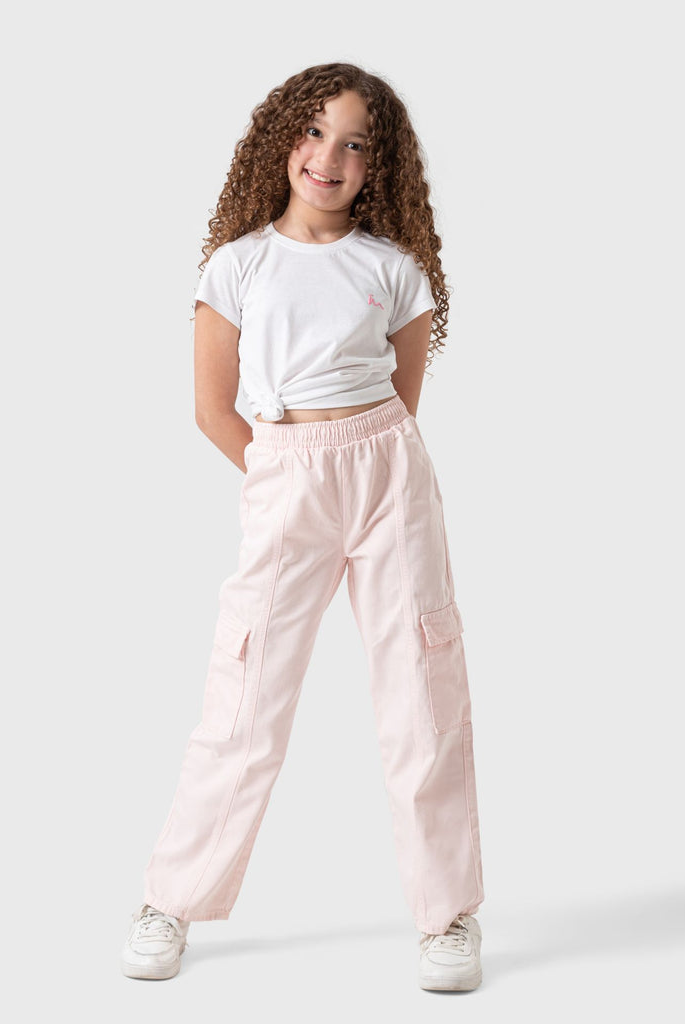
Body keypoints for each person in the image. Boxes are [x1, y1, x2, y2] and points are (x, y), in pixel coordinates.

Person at [121, 61, 485, 991]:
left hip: (387, 476)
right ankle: (171, 898)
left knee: (421, 685)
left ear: (378, 166)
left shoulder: (394, 271)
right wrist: (283, 478)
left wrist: (359, 467)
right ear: (280, 139)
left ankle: (447, 914)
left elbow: (401, 402)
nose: (330, 156)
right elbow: (213, 409)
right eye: (315, 132)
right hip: (286, 474)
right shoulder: (238, 265)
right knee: (244, 693)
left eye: (356, 144)